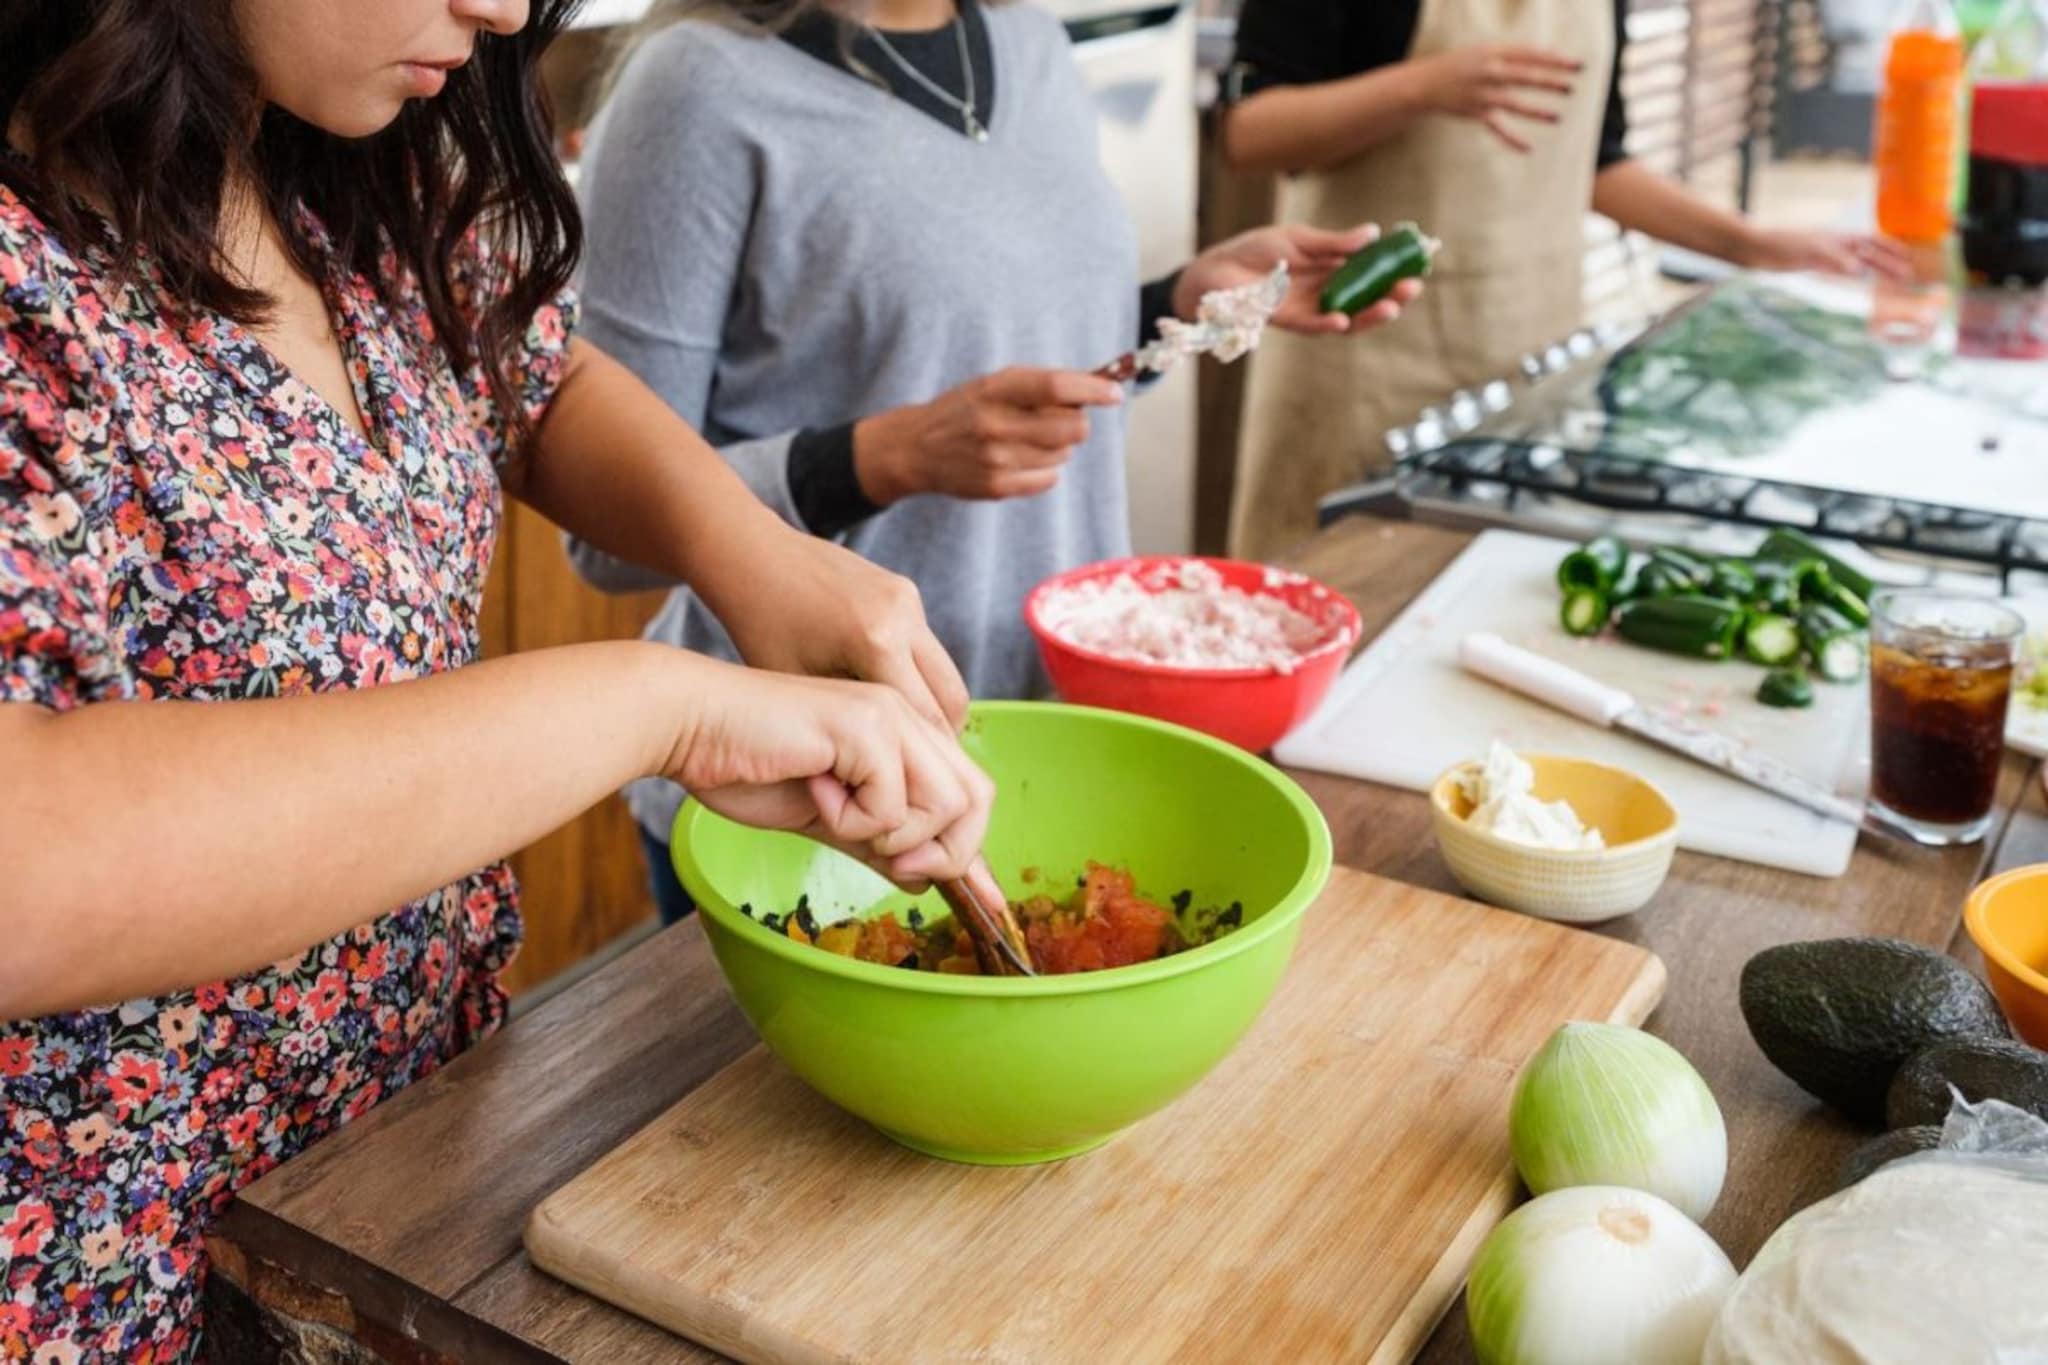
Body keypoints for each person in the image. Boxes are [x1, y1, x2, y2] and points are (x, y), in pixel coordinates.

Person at [0, 0, 1000, 1353]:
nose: (503, 9)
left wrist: (751, 554)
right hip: (108, 1278)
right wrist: (664, 704)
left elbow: (528, 377)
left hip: (396, 1172)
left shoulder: (346, 151)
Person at [568, 0, 1422, 924]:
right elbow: (607, 539)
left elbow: (1000, 354)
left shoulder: (1032, 44)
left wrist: (1174, 307)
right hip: (812, 798)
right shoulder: (695, 89)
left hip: (1051, 753)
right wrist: (880, 459)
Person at [1218, 0, 1915, 560]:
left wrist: (1748, 242)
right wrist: (1423, 86)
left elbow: (1595, 158)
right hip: (1356, 359)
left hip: (1528, 358)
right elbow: (1251, 133)